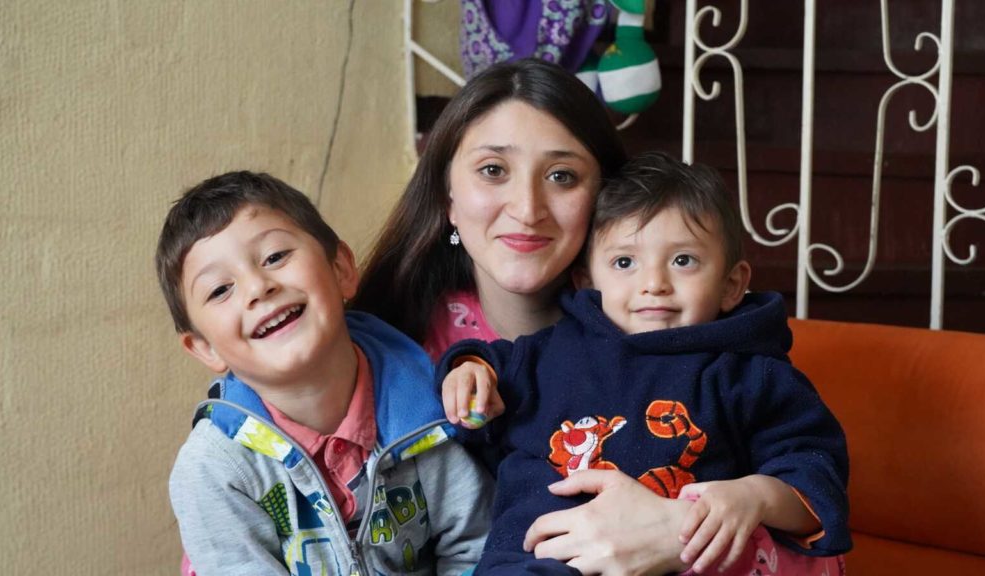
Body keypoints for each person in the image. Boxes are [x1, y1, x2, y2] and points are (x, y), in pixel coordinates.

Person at [438, 151, 851, 575]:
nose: (653, 284)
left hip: (669, 560)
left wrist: (755, 496)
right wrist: (470, 371)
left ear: (731, 285)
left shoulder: (748, 372)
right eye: (624, 262)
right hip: (532, 560)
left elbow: (815, 477)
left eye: (683, 260)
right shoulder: (551, 351)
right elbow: (489, 375)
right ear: (588, 281)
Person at [351, 57, 687, 575]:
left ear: (605, 198)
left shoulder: (671, 327)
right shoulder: (380, 352)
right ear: (448, 200)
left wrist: (680, 531)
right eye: (493, 170)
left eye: (562, 176)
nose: (528, 207)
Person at [156, 171, 492, 575]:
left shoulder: (427, 414)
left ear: (342, 269)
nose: (258, 288)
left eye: (275, 257)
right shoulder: (214, 470)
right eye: (220, 290)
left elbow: (475, 548)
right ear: (205, 348)